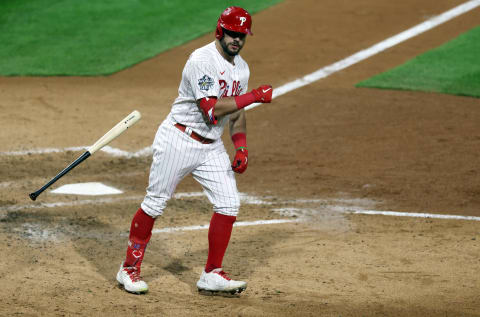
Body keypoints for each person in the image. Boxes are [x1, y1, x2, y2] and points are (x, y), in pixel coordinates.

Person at [116, 6, 273, 295]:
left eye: (242, 35)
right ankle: (128, 269)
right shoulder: (202, 60)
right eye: (232, 34)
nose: (237, 40)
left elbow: (237, 112)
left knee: (228, 204)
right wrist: (253, 96)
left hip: (211, 147)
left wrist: (241, 146)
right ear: (220, 31)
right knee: (155, 204)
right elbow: (212, 111)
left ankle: (212, 274)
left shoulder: (242, 68)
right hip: (179, 139)